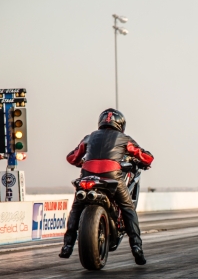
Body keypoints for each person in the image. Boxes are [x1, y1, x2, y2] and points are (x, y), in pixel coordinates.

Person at [59, 108, 154, 265]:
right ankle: (137, 248)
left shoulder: (90, 137)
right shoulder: (124, 138)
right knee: (128, 209)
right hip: (112, 176)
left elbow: (72, 157)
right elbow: (146, 157)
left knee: (76, 208)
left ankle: (67, 246)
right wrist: (143, 161)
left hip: (87, 176)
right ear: (120, 124)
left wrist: (81, 162)